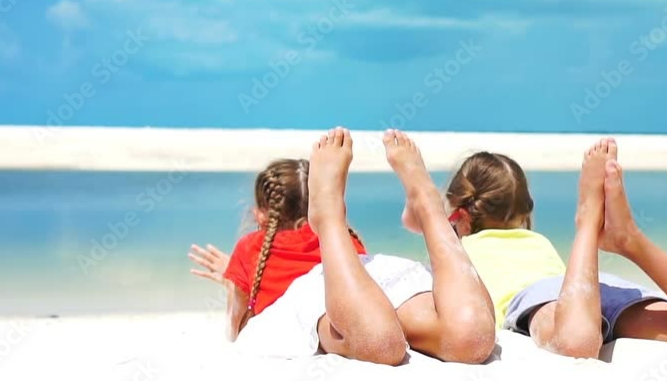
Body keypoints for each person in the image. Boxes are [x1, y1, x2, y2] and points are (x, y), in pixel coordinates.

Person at [413, 138, 667, 358]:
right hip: (587, 287)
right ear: (525, 212)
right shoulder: (537, 242)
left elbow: (417, 225)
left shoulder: (458, 251)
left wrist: (431, 207)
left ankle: (589, 224)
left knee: (576, 343)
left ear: (458, 211)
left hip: (542, 299)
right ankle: (630, 241)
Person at [189, 128, 495, 365]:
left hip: (332, 308)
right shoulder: (349, 244)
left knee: (380, 343)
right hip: (379, 283)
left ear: (261, 214)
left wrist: (235, 284)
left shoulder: (250, 248)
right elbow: (354, 278)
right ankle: (428, 206)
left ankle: (329, 217)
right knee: (472, 338)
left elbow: (234, 330)